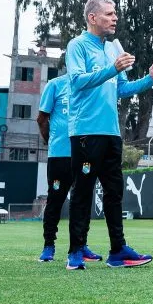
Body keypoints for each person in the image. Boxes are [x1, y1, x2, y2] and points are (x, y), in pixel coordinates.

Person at [65, 0, 153, 269]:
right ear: (92, 17)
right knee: (83, 191)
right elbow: (77, 82)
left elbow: (121, 89)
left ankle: (118, 251)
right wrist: (112, 68)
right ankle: (76, 250)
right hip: (86, 131)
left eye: (115, 14)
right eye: (109, 14)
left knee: (114, 193)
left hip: (112, 133)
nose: (115, 18)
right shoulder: (77, 45)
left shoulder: (114, 48)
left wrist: (150, 80)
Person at [37, 59, 101, 263]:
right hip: (60, 156)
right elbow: (41, 119)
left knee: (83, 200)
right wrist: (52, 142)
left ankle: (81, 245)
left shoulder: (92, 86)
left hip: (84, 155)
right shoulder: (55, 85)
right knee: (55, 199)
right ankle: (48, 246)